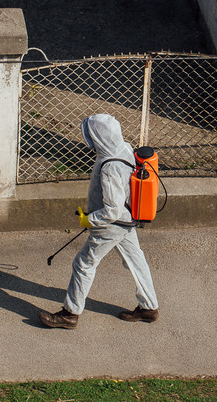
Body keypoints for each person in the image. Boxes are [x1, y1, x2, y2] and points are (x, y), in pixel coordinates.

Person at [39, 113, 159, 329]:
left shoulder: (110, 167)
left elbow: (112, 210)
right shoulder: (124, 148)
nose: (90, 139)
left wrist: (89, 220)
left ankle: (70, 314)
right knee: (135, 260)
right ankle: (149, 307)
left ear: (99, 137)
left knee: (83, 264)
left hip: (112, 225)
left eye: (92, 135)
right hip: (129, 218)